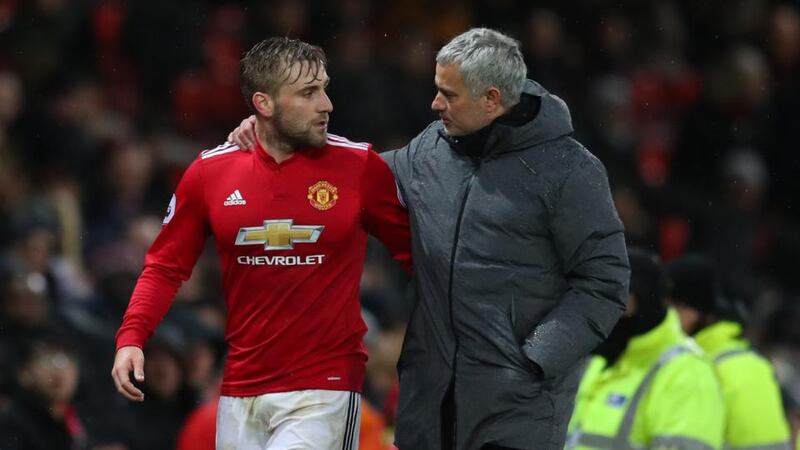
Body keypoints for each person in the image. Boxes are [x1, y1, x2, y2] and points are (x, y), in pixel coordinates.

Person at [230, 28, 629, 450]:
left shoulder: (569, 170)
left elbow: (604, 282)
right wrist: (273, 129)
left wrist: (534, 359)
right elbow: (352, 176)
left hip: (518, 407)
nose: (435, 104)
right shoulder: (431, 149)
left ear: (492, 99)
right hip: (429, 400)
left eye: (449, 95)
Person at [111, 37, 412, 449]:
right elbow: (165, 266)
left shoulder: (360, 167)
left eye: (324, 88)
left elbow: (418, 257)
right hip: (240, 390)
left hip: (325, 386)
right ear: (264, 104)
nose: (326, 104)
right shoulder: (209, 173)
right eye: (309, 93)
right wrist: (131, 338)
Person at [567, 248, 724, 449]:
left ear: (644, 300)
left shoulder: (688, 373)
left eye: (623, 300)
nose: (610, 313)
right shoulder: (600, 362)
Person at [667, 254, 791, 449]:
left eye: (674, 307)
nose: (667, 317)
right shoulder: (750, 361)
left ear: (696, 311)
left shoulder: (703, 367)